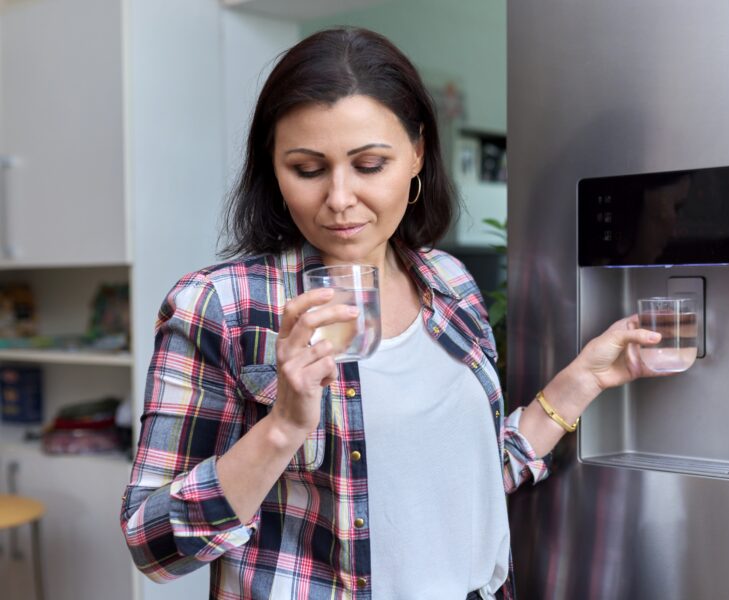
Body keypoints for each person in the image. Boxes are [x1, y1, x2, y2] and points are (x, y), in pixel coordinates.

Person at [120, 27, 663, 600]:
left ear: (417, 154)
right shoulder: (220, 307)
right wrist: (282, 427)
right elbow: (152, 545)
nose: (339, 197)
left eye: (370, 164)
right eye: (307, 169)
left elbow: (467, 479)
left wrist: (586, 379)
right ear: (273, 170)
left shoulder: (449, 283)